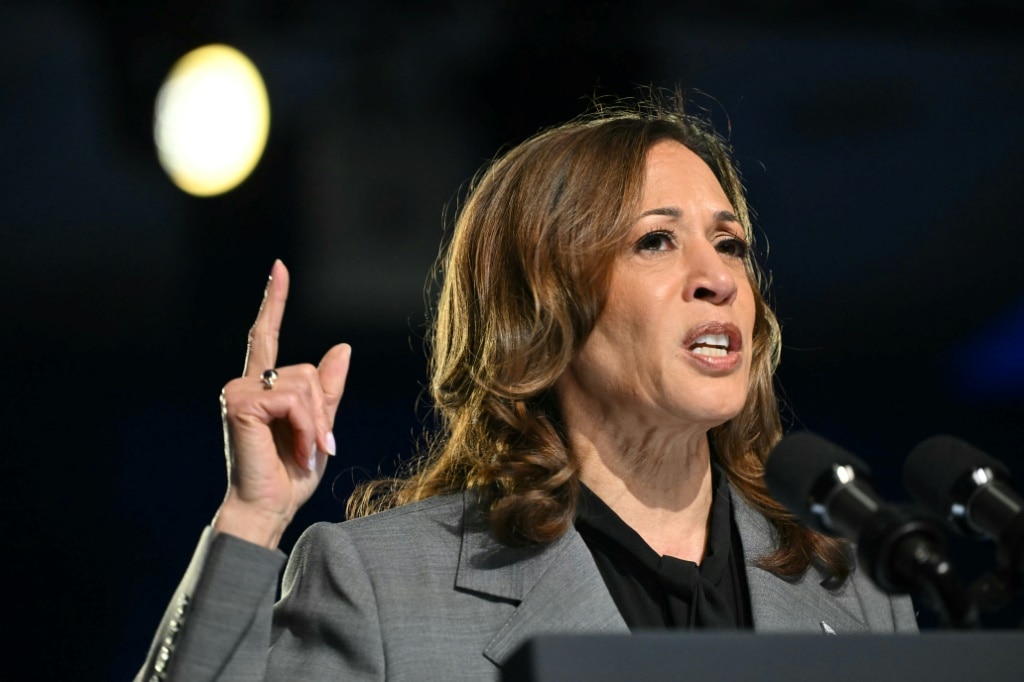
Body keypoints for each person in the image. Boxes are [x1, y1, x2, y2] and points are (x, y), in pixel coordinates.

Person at [137, 97, 916, 682]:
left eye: (729, 242)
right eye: (655, 241)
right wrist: (252, 518)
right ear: (540, 309)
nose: (717, 278)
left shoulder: (853, 588)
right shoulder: (383, 588)